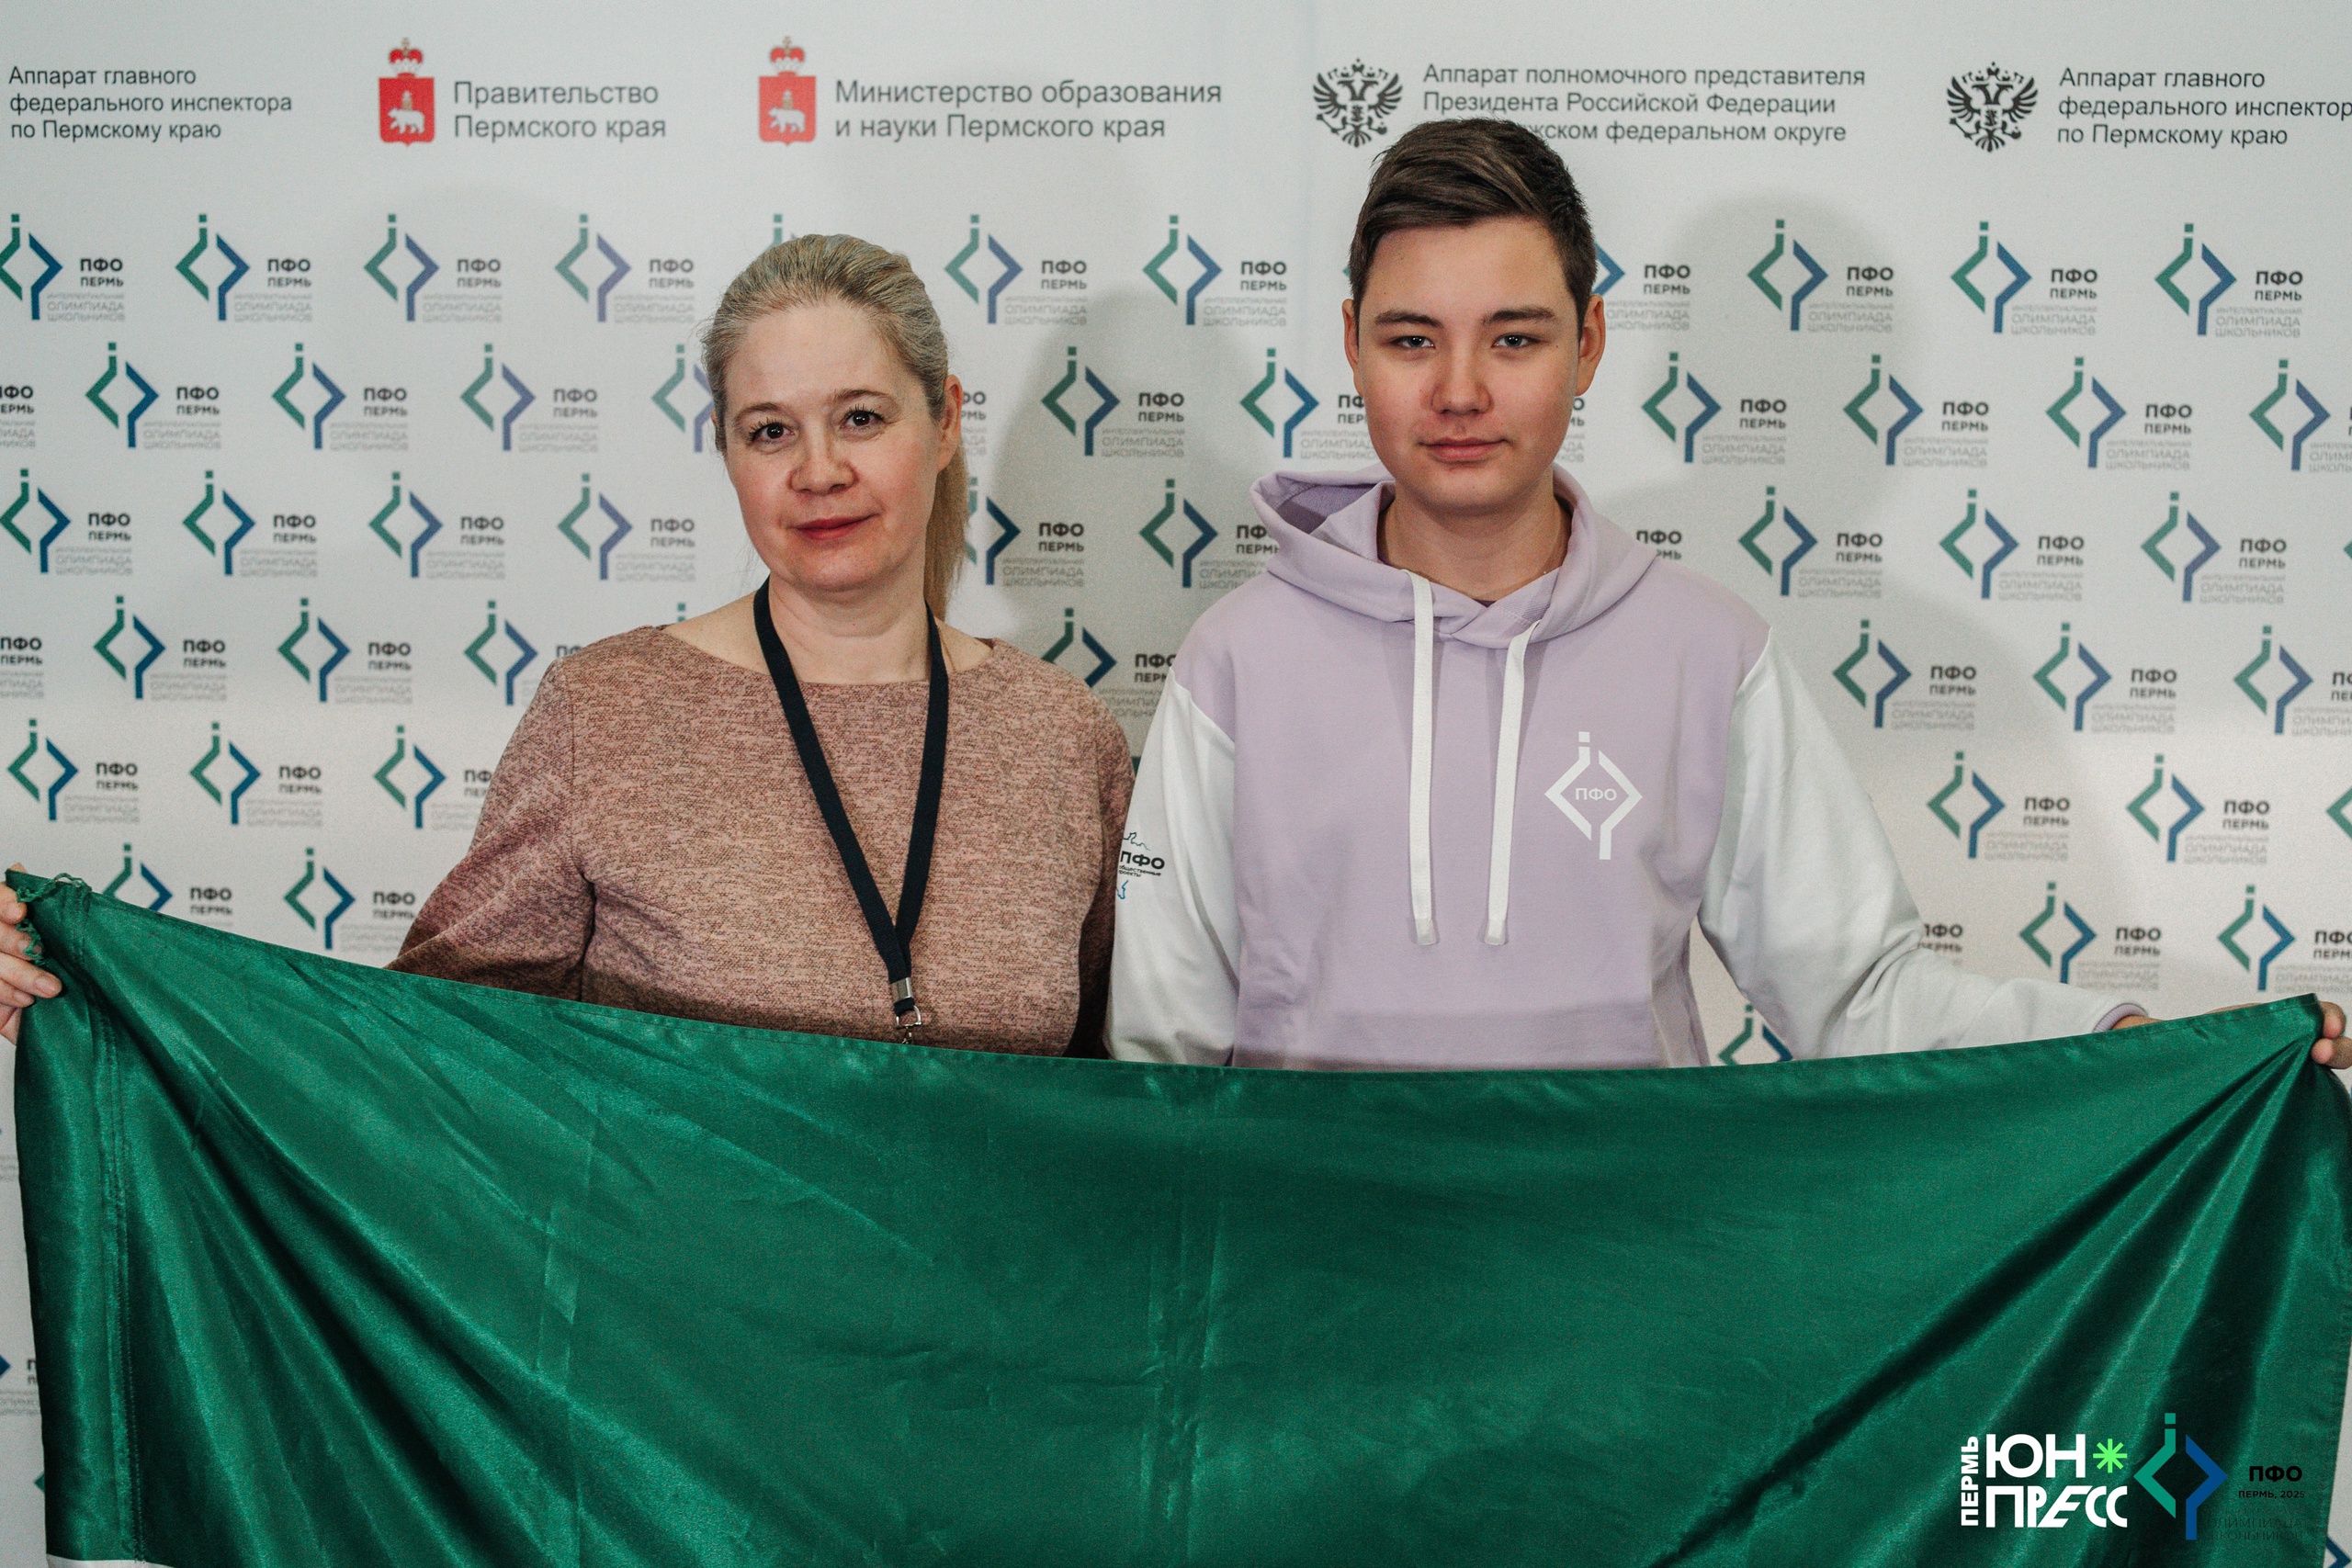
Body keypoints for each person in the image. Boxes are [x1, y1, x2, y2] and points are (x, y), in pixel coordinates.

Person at [1105, 118, 2347, 1071]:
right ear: (1351, 344)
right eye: (1412, 338)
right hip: (1318, 1287)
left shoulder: (1706, 651)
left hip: (1631, 1281)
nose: (1462, 389)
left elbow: (1858, 996)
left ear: (1590, 344)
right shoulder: (1235, 661)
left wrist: (2128, 1048)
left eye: (1516, 337)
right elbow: (1162, 1060)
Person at [3, 234, 1133, 1057]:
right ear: (727, 451)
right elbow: (421, 1052)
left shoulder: (1061, 738)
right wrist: (92, 993)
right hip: (672, 1319)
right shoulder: (610, 710)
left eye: (862, 418)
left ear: (945, 420)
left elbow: (1138, 1104)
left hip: (987, 1318)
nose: (818, 471)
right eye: (769, 431)